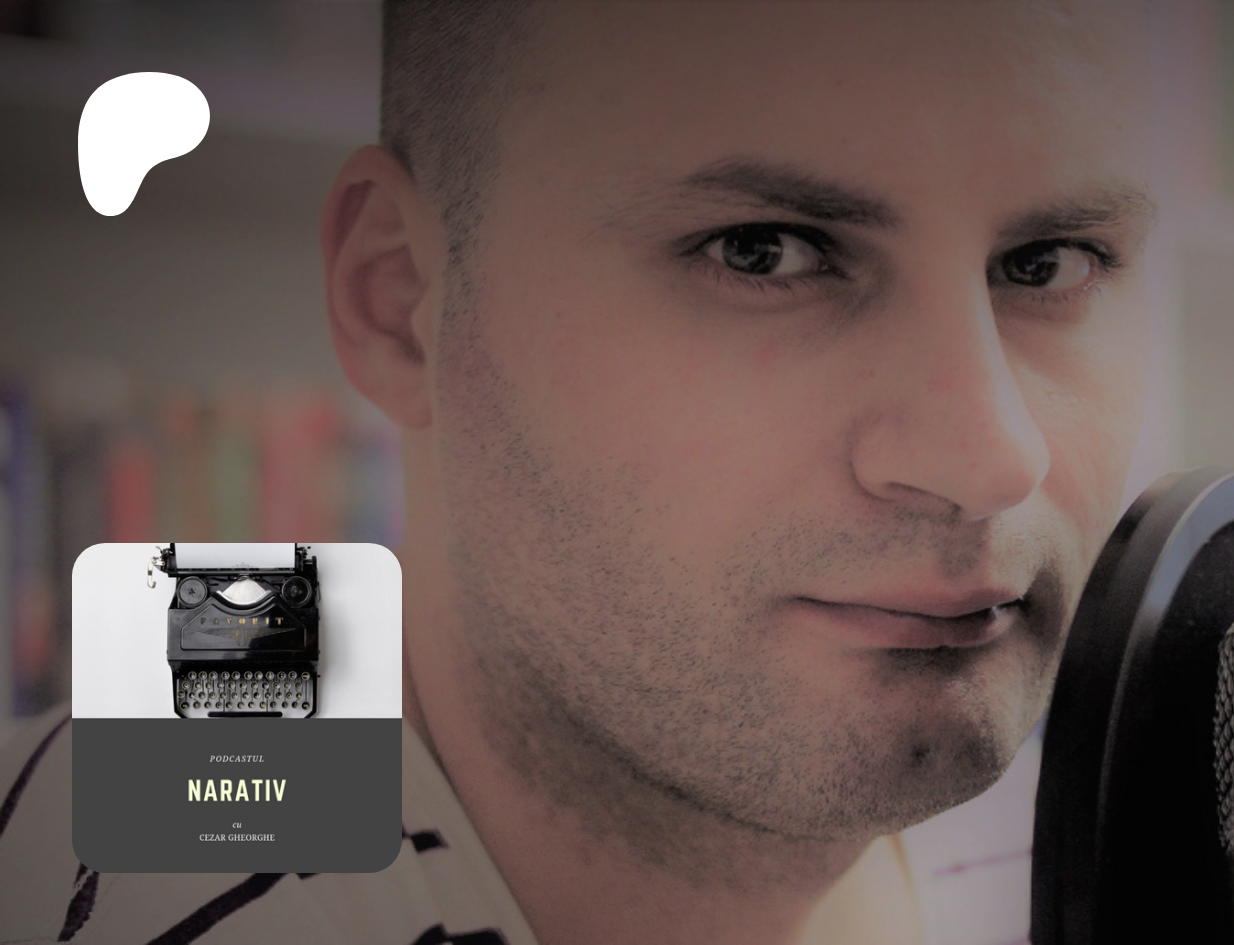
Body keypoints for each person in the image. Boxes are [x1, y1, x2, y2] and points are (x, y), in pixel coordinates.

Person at [0, 2, 1157, 942]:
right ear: (400, 299)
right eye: (765, 252)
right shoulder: (94, 858)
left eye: (1048, 262)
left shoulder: (1113, 843)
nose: (992, 458)